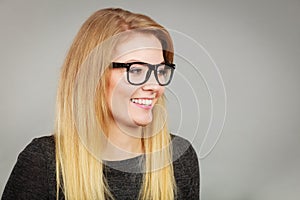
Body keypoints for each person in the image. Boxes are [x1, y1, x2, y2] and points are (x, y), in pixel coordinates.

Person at [2, 8, 199, 200]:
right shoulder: (44, 162)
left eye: (161, 71)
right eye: (136, 70)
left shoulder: (179, 158)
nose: (155, 85)